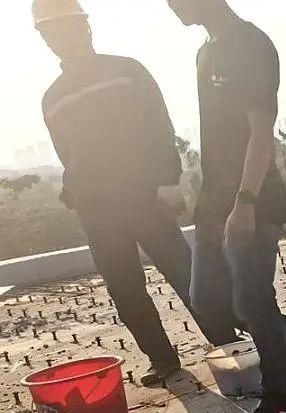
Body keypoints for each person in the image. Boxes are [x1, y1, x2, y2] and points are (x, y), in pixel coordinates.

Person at [35, 0, 239, 387]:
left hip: (145, 195)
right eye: (53, 33)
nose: (63, 38)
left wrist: (167, 180)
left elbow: (159, 125)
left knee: (184, 272)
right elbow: (70, 155)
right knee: (124, 287)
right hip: (97, 209)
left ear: (86, 28)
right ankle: (162, 359)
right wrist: (74, 191)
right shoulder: (53, 97)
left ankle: (226, 341)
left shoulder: (126, 71)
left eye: (70, 28)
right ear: (45, 39)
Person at [166, 0, 286, 413]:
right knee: (209, 297)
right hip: (213, 199)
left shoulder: (251, 45)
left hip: (250, 197)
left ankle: (281, 401)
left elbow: (261, 133)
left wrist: (246, 201)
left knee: (252, 299)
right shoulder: (206, 51)